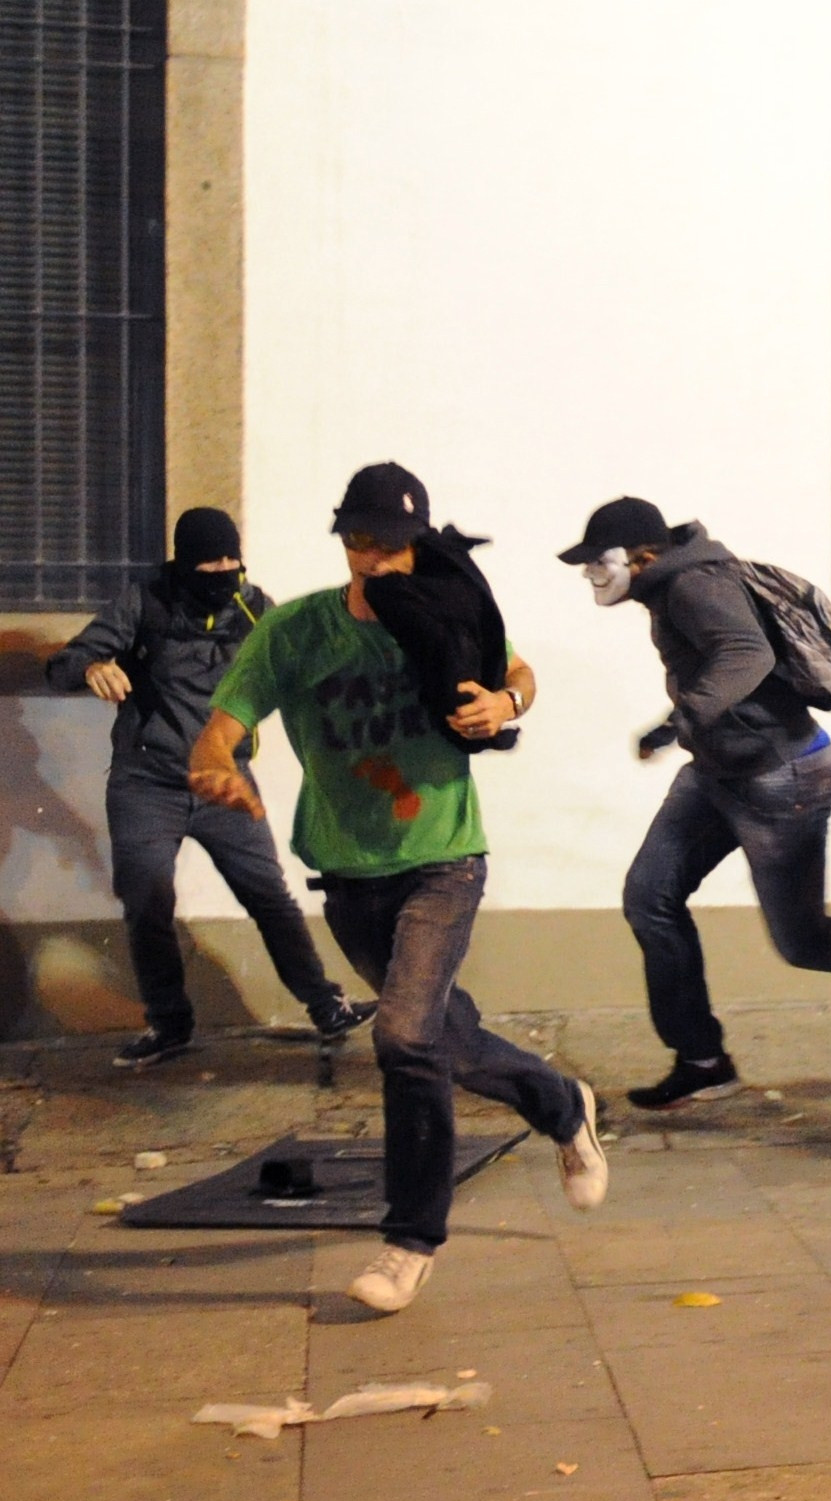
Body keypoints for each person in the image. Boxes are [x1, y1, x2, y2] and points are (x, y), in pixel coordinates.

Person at [191, 463, 609, 1314]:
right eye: (358, 540)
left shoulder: (452, 616)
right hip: (347, 873)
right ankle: (562, 1102)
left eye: (389, 543)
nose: (373, 558)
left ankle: (409, 1242)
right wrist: (214, 766)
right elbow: (224, 726)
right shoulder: (297, 631)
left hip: (442, 861)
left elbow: (519, 676)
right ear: (343, 539)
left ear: (417, 544)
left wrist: (504, 703)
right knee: (440, 1035)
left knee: (405, 1038)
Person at [557, 497, 831, 1107]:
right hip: (718, 772)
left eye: (596, 564)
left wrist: (683, 717)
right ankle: (702, 1059)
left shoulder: (690, 586)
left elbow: (746, 654)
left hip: (780, 778)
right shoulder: (677, 584)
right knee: (650, 899)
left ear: (643, 556)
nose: (592, 577)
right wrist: (682, 726)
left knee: (803, 942)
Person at [45, 508, 371, 1067]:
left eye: (231, 559)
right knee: (147, 897)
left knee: (268, 892)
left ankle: (324, 1004)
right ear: (182, 563)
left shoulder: (253, 606)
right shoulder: (145, 601)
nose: (223, 571)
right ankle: (169, 1024)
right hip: (148, 780)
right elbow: (63, 664)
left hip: (225, 780)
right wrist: (93, 665)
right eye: (210, 562)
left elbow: (308, 662)